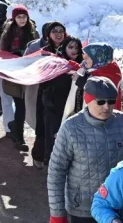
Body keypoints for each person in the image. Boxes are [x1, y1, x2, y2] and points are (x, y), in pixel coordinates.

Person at [47, 77, 123, 223]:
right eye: (101, 102)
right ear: (88, 100)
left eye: (111, 101)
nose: (107, 107)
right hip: (83, 210)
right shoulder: (70, 128)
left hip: (119, 207)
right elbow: (56, 171)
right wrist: (57, 213)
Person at [35, 35, 88, 169]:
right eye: (70, 47)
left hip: (73, 112)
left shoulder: (84, 67)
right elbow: (44, 85)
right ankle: (52, 168)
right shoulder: (55, 63)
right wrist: (63, 74)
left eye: (77, 47)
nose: (74, 50)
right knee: (53, 141)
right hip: (54, 110)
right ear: (64, 48)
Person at [0, 5, 38, 149]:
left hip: (28, 74)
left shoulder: (33, 32)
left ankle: (15, 127)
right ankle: (19, 138)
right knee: (20, 105)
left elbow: (38, 51)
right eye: (19, 17)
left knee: (25, 105)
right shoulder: (8, 34)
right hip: (13, 74)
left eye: (24, 17)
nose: (22, 19)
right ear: (14, 18)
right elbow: (2, 52)